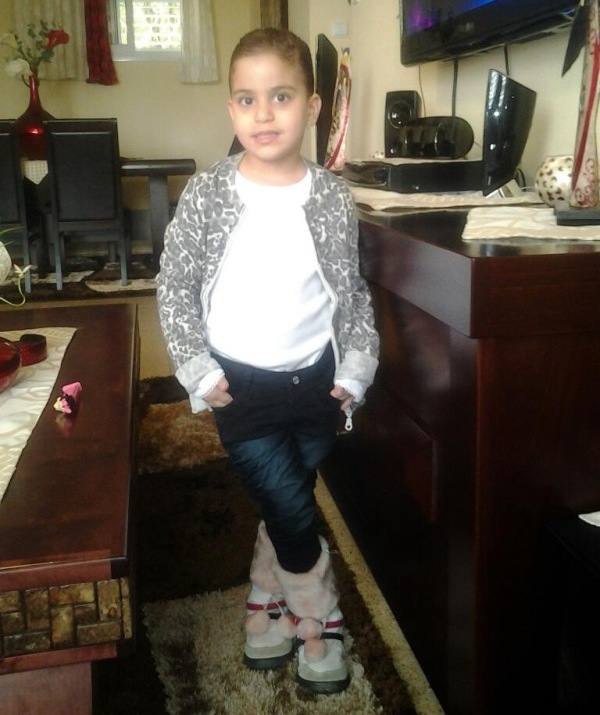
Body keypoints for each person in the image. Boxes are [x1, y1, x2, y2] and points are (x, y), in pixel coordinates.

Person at [156, 27, 379, 695]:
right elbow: (174, 285)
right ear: (231, 109)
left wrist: (356, 367)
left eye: (280, 96)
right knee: (289, 503)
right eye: (247, 100)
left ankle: (264, 593)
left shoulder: (333, 196)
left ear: (312, 106)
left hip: (316, 385)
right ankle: (320, 617)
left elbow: (350, 290)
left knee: (288, 502)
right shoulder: (208, 193)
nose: (263, 114)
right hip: (239, 386)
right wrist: (198, 368)